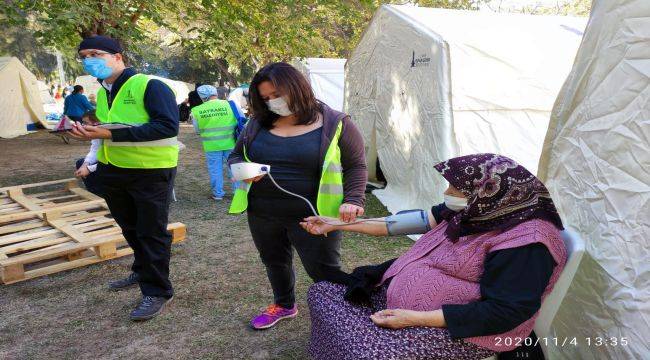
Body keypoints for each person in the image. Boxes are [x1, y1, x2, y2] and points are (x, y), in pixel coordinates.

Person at [301, 154, 567, 360]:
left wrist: (414, 318)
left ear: (489, 190)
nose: (448, 193)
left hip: (462, 331)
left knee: (368, 354)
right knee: (323, 293)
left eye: (455, 188)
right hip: (405, 308)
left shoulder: (527, 242)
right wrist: (337, 223)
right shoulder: (478, 210)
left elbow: (506, 312)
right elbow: (395, 225)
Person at [227, 62, 367, 330]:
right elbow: (235, 155)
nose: (272, 103)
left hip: (315, 215)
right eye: (265, 99)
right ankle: (284, 304)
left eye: (276, 96)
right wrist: (239, 169)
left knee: (323, 270)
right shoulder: (257, 124)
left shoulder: (336, 123)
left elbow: (356, 165)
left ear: (297, 88)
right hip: (263, 212)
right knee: (275, 261)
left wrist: (353, 199)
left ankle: (337, 315)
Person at [69, 35, 180, 321]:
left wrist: (108, 133)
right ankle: (142, 270)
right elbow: (107, 129)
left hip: (151, 172)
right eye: (84, 56)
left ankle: (157, 291)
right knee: (129, 228)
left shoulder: (150, 85)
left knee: (151, 231)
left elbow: (167, 127)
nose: (89, 60)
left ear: (118, 56)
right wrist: (91, 141)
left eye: (95, 53)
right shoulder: (105, 91)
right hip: (115, 170)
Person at [191, 85, 245, 200]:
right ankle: (238, 192)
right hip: (231, 143)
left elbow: (197, 130)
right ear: (215, 93)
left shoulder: (196, 110)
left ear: (202, 97)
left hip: (211, 145)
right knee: (234, 167)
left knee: (215, 169)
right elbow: (242, 119)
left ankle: (218, 194)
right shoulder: (231, 104)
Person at [74, 110, 103, 196]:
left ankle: (104, 195)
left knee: (92, 169)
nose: (83, 126)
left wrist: (89, 169)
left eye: (85, 123)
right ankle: (95, 194)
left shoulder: (107, 134)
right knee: (80, 162)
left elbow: (111, 162)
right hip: (106, 162)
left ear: (96, 123)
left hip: (116, 165)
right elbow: (94, 150)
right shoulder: (96, 133)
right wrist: (85, 165)